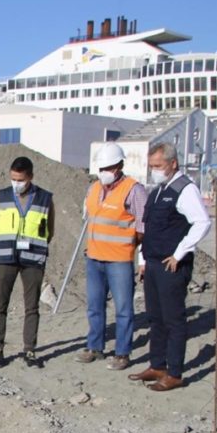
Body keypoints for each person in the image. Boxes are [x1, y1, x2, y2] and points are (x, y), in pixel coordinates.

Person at [128, 142, 211, 391]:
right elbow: (149, 229)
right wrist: (142, 261)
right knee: (156, 318)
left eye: (158, 166)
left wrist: (179, 253)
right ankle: (157, 365)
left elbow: (202, 222)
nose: (154, 170)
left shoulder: (184, 190)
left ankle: (174, 372)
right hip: (152, 263)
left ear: (173, 163)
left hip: (170, 266)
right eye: (151, 166)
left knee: (174, 320)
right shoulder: (157, 190)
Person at [74, 142, 147, 371]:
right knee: (95, 306)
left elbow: (144, 227)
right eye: (102, 168)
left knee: (123, 308)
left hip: (119, 259)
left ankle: (122, 352)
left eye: (108, 168)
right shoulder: (94, 189)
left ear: (119, 166)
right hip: (94, 257)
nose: (104, 172)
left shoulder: (134, 190)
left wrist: (140, 257)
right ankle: (95, 346)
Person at [0, 156, 54, 369]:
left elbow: (49, 230)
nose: (16, 184)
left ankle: (30, 349)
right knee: (0, 305)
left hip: (33, 259)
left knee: (32, 307)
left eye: (20, 180)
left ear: (31, 177)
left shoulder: (45, 198)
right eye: (13, 179)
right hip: (5, 256)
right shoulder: (2, 196)